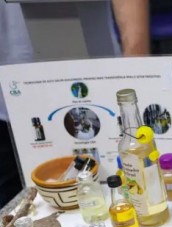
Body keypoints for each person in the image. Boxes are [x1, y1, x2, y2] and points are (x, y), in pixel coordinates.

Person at [0, 0, 150, 208]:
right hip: (10, 91)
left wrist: (136, 71)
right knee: (20, 202)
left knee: (122, 179)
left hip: (94, 71)